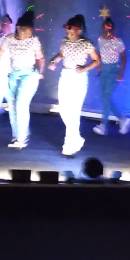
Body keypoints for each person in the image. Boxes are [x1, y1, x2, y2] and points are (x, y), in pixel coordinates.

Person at [0, 11, 44, 149]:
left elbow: (40, 58)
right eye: (22, 31)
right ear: (17, 28)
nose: (24, 35)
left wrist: (40, 72)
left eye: (27, 32)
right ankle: (17, 135)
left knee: (21, 104)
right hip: (14, 74)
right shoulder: (9, 39)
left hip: (29, 75)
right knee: (13, 105)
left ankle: (22, 138)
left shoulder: (33, 40)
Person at [48, 15, 100, 157]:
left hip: (79, 78)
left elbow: (97, 60)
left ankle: (69, 144)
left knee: (74, 111)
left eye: (71, 33)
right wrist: (53, 61)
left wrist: (85, 68)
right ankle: (76, 138)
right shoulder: (65, 42)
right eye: (67, 33)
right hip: (65, 76)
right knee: (64, 110)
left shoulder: (86, 44)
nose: (69, 36)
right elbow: (61, 54)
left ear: (79, 31)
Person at [95, 17, 130, 136]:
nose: (106, 32)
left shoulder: (117, 41)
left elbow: (123, 56)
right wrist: (99, 66)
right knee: (103, 98)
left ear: (113, 31)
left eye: (108, 30)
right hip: (104, 70)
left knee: (106, 97)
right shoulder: (100, 40)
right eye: (104, 30)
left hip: (113, 71)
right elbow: (100, 54)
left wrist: (122, 71)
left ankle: (103, 125)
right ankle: (123, 119)